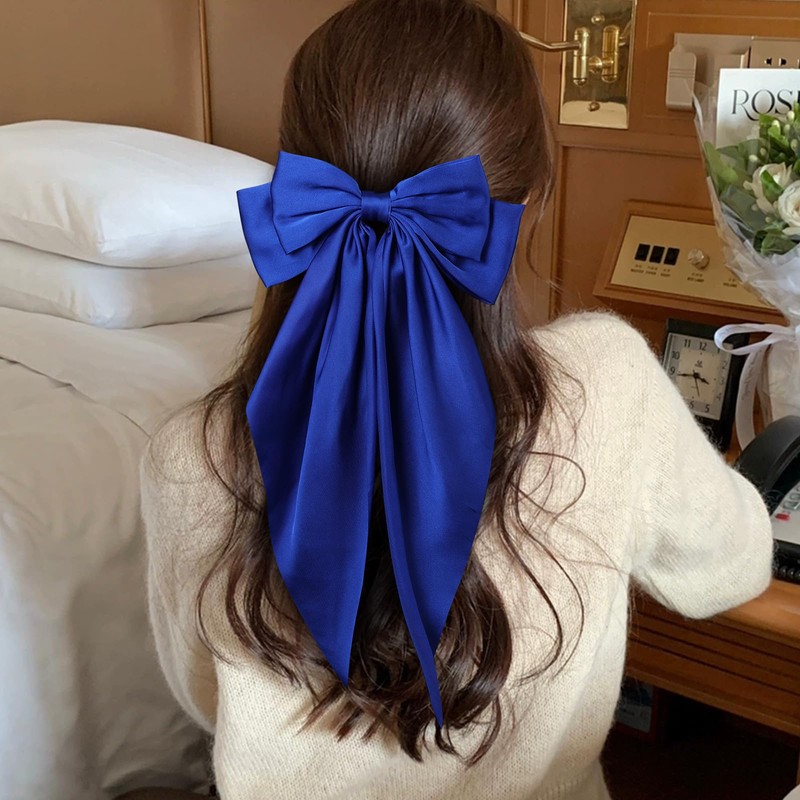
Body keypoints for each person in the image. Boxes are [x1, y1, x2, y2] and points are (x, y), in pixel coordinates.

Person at [137, 1, 774, 798]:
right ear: (527, 201)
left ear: (295, 193)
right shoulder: (611, 385)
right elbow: (731, 571)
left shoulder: (190, 457)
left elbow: (204, 695)